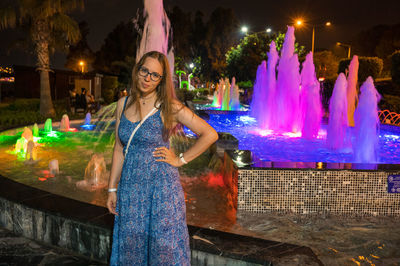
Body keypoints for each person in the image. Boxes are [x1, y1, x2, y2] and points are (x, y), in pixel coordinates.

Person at [107, 51, 218, 265]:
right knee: (131, 245)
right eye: (144, 71)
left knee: (163, 248)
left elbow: (210, 135)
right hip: (130, 189)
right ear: (137, 70)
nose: (148, 78)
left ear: (161, 80)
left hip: (161, 190)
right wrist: (112, 188)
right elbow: (119, 147)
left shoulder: (170, 107)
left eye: (155, 75)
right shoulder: (123, 104)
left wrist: (180, 159)